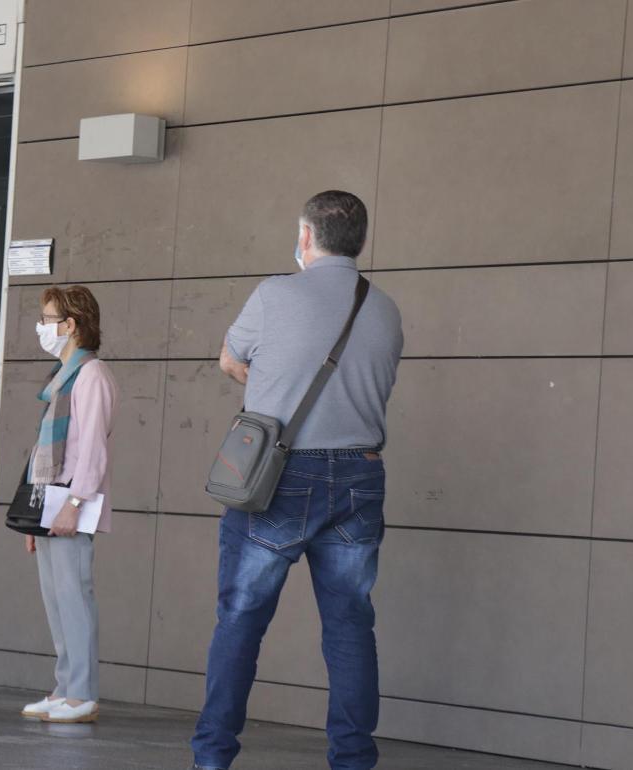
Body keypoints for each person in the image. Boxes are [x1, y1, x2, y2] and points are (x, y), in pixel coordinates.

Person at [191, 191, 403, 770]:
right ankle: (353, 761)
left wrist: (270, 379)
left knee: (242, 618)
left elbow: (230, 359)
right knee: (350, 625)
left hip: (281, 476)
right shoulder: (385, 308)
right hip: (361, 474)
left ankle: (212, 758)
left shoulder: (275, 294)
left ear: (306, 236)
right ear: (360, 241)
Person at [18, 286, 118, 725]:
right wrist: (36, 517)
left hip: (72, 501)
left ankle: (82, 694)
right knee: (56, 599)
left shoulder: (91, 375)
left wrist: (75, 503)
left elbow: (93, 449)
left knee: (75, 597)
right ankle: (65, 688)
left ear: (70, 325)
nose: (41, 326)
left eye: (47, 319)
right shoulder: (63, 376)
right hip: (52, 499)